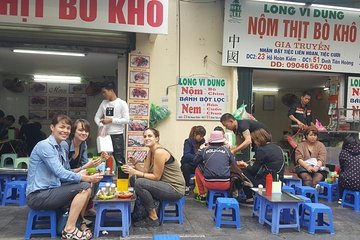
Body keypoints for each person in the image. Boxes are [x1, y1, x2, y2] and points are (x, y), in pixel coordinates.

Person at [26, 115, 103, 240]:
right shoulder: (45, 146)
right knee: (84, 186)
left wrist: (83, 174)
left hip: (52, 189)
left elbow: (67, 171)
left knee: (87, 186)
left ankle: (79, 222)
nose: (65, 131)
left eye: (67, 128)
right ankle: (69, 229)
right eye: (61, 127)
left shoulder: (61, 147)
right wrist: (85, 178)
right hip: (38, 195)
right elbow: (60, 173)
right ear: (52, 127)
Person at [122, 128, 185, 227]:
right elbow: (145, 172)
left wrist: (134, 171)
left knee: (139, 183)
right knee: (134, 179)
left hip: (175, 188)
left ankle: (153, 217)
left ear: (157, 138)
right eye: (145, 136)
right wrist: (135, 163)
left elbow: (156, 177)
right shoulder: (151, 151)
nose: (147, 138)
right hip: (164, 185)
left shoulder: (159, 152)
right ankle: (143, 212)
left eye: (150, 136)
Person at [237, 129, 284, 204]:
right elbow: (270, 161)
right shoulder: (277, 148)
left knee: (241, 172)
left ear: (258, 140)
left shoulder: (262, 150)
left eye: (254, 140)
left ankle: (250, 197)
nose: (254, 143)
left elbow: (253, 170)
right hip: (278, 182)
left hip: (266, 182)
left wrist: (245, 165)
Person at [193, 130, 236, 202]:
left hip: (209, 183)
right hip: (226, 184)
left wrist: (200, 151)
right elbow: (234, 164)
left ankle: (202, 194)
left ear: (210, 141)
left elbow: (195, 161)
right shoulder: (227, 151)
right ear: (222, 141)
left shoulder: (204, 150)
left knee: (197, 169)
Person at [94, 81, 129, 169]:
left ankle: (122, 180)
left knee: (119, 159)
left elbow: (126, 120)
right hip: (105, 135)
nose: (103, 94)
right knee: (104, 158)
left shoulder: (122, 103)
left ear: (111, 90)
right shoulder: (103, 103)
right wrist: (101, 125)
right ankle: (104, 178)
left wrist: (111, 120)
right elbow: (96, 117)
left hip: (117, 134)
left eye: (104, 92)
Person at [180, 125, 206, 195]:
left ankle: (203, 187)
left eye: (203, 136)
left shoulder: (203, 141)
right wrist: (197, 157)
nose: (201, 138)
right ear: (195, 134)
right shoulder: (188, 142)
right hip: (189, 164)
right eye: (200, 136)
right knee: (185, 167)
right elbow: (186, 155)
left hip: (198, 163)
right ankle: (187, 186)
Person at [338, 134, 360, 202]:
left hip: (349, 183)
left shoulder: (343, 153)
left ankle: (341, 198)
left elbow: (342, 168)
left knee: (341, 175)